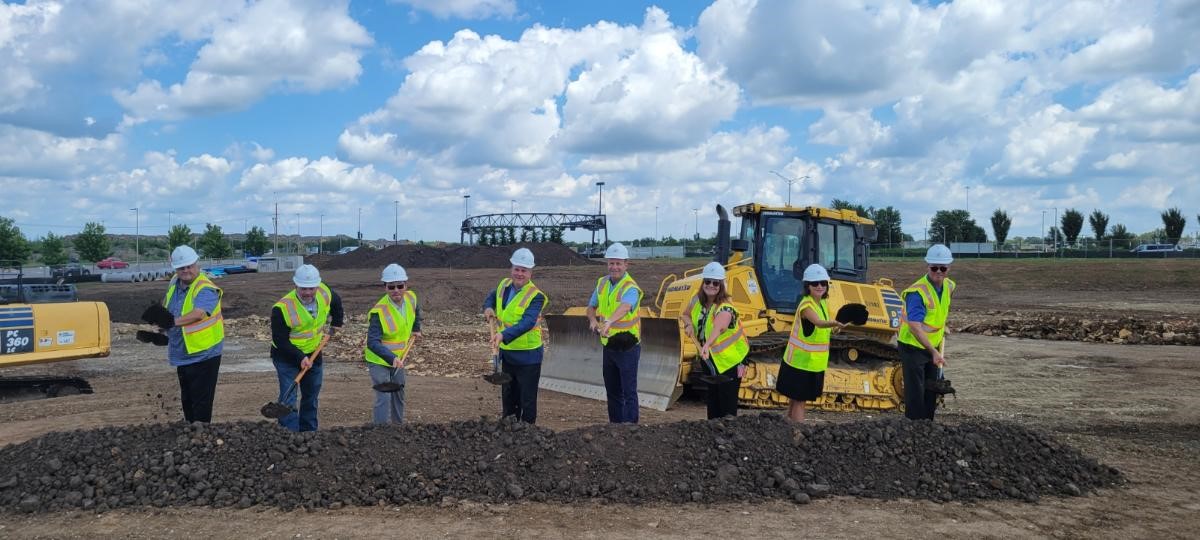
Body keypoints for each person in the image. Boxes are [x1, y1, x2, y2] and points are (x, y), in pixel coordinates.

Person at [143, 245, 225, 423]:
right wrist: (162, 330)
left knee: (201, 402)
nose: (186, 270)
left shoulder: (205, 288)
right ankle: (190, 430)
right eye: (181, 267)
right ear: (175, 268)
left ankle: (201, 435)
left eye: (189, 266)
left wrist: (171, 323)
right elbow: (171, 310)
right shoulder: (174, 283)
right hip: (183, 353)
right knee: (187, 399)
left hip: (204, 354)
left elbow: (198, 314)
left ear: (197, 265)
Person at [270, 264, 344, 431]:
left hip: (314, 352)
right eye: (303, 288)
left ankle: (309, 433)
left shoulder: (324, 292)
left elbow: (336, 301)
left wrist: (337, 323)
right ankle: (290, 435)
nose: (308, 293)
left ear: (318, 285)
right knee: (288, 398)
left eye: (312, 288)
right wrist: (300, 357)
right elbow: (280, 341)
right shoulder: (282, 308)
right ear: (295, 285)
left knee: (311, 396)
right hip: (286, 358)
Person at [482, 248, 548, 423]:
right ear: (511, 269)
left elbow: (527, 323)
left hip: (528, 355)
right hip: (508, 353)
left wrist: (503, 335)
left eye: (524, 270)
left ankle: (527, 433)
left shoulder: (536, 297)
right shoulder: (504, 285)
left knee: (527, 399)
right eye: (517, 269)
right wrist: (488, 308)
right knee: (509, 397)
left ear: (530, 272)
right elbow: (491, 297)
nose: (519, 274)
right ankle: (508, 430)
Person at [679, 262, 749, 419]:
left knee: (727, 399)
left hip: (733, 360)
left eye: (715, 282)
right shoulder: (696, 300)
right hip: (710, 358)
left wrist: (708, 344)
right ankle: (713, 430)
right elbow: (685, 314)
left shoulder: (726, 307)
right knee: (712, 397)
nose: (711, 285)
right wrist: (689, 324)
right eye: (707, 281)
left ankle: (728, 433)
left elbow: (720, 326)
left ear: (721, 285)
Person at [777, 264, 846, 422]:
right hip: (801, 362)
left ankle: (788, 427)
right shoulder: (806, 305)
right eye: (815, 283)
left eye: (823, 283)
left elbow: (821, 329)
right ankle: (797, 432)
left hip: (811, 362)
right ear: (807, 286)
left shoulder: (821, 303)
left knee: (796, 400)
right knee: (800, 402)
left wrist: (834, 329)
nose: (820, 286)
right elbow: (819, 323)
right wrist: (835, 323)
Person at [897, 244, 956, 420]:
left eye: (943, 268)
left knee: (932, 387)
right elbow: (915, 326)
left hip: (933, 345)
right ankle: (914, 426)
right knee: (916, 391)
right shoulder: (917, 293)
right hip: (912, 346)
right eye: (934, 268)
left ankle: (927, 424)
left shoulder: (950, 286)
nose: (939, 271)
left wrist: (941, 327)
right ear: (927, 266)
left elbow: (939, 310)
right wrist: (933, 352)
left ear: (949, 267)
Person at [586, 242, 642, 423]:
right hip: (609, 345)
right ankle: (615, 427)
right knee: (612, 390)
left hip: (628, 346)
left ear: (626, 265)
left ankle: (631, 427)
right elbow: (591, 306)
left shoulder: (630, 287)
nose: (614, 267)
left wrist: (609, 321)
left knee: (628, 391)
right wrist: (593, 320)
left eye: (618, 263)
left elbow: (625, 307)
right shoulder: (602, 283)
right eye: (611, 263)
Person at [364, 263, 421, 424]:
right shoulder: (379, 312)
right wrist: (391, 358)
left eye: (399, 286)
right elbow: (372, 342)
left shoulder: (411, 297)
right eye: (391, 287)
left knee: (398, 393)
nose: (396, 290)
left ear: (405, 285)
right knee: (384, 396)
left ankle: (397, 429)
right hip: (379, 360)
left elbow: (416, 310)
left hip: (399, 357)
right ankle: (380, 432)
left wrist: (416, 328)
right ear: (385, 288)